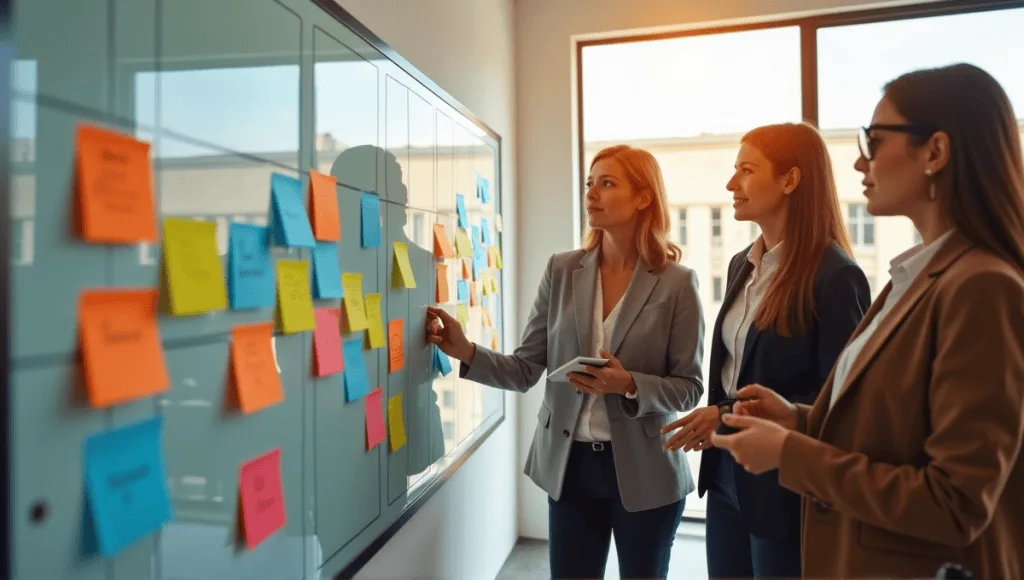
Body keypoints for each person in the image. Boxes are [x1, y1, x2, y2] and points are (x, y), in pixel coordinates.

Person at [711, 63, 1024, 580]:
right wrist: (799, 419)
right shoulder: (914, 276)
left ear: (936, 152)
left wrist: (791, 451)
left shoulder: (981, 287)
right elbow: (892, 433)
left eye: (874, 140)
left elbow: (954, 502)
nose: (859, 160)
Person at [426, 145, 704, 580]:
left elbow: (689, 386)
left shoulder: (677, 282)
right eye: (590, 183)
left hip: (648, 473)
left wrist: (628, 383)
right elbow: (524, 370)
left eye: (607, 183)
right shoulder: (562, 270)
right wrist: (466, 351)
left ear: (644, 197)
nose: (592, 193)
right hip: (569, 468)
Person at [660, 123, 871, 579]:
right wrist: (721, 413)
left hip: (784, 486)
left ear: (790, 180)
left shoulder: (836, 277)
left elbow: (844, 402)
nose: (731, 184)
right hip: (725, 477)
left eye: (746, 170)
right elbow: (737, 372)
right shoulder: (742, 264)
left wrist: (727, 413)